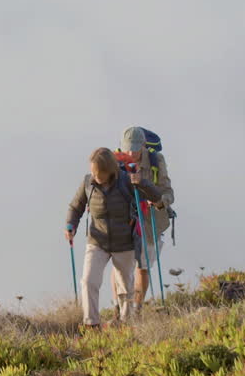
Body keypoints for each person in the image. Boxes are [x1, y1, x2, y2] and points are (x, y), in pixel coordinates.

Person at [66, 147, 164, 328]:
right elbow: (75, 207)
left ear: (110, 170)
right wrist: (70, 225)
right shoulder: (88, 183)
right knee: (88, 281)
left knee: (125, 288)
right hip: (97, 241)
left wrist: (141, 182)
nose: (95, 175)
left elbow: (156, 197)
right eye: (92, 171)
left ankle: (126, 324)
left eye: (98, 172)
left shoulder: (127, 181)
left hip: (124, 242)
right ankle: (91, 325)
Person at [115, 127, 176, 311]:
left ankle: (137, 309)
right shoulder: (115, 162)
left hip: (150, 221)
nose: (131, 152)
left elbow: (168, 192)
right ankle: (119, 310)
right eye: (128, 148)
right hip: (124, 219)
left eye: (135, 148)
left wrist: (158, 201)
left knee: (143, 266)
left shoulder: (156, 161)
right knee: (120, 266)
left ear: (143, 145)